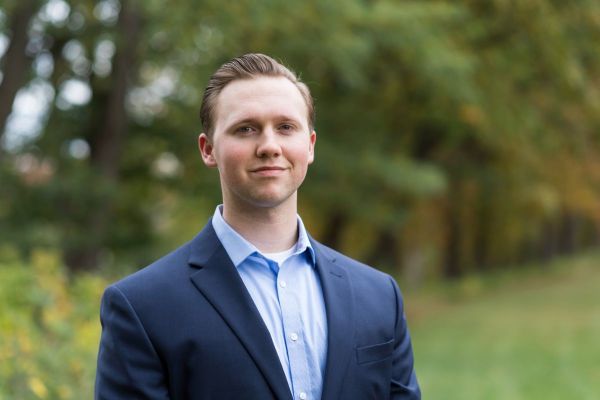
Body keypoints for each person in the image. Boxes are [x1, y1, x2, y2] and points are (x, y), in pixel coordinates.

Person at [95, 53, 420, 400]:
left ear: (309, 146)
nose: (269, 146)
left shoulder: (379, 296)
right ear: (208, 150)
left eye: (285, 127)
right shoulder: (142, 307)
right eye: (245, 129)